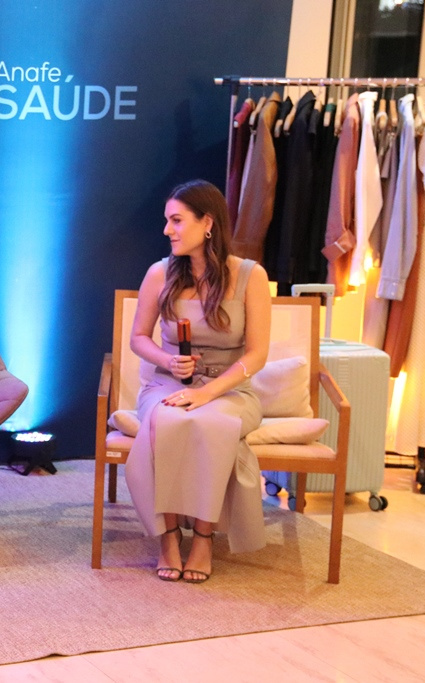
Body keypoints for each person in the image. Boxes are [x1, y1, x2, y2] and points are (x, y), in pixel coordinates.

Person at [125, 179, 271, 584]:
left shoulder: (251, 276)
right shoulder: (159, 273)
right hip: (167, 384)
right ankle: (169, 536)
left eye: (176, 220)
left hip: (229, 388)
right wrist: (168, 361)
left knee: (211, 422)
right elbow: (139, 338)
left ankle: (204, 537)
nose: (167, 230)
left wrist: (206, 393)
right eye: (167, 220)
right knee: (169, 420)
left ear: (207, 223)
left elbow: (257, 354)